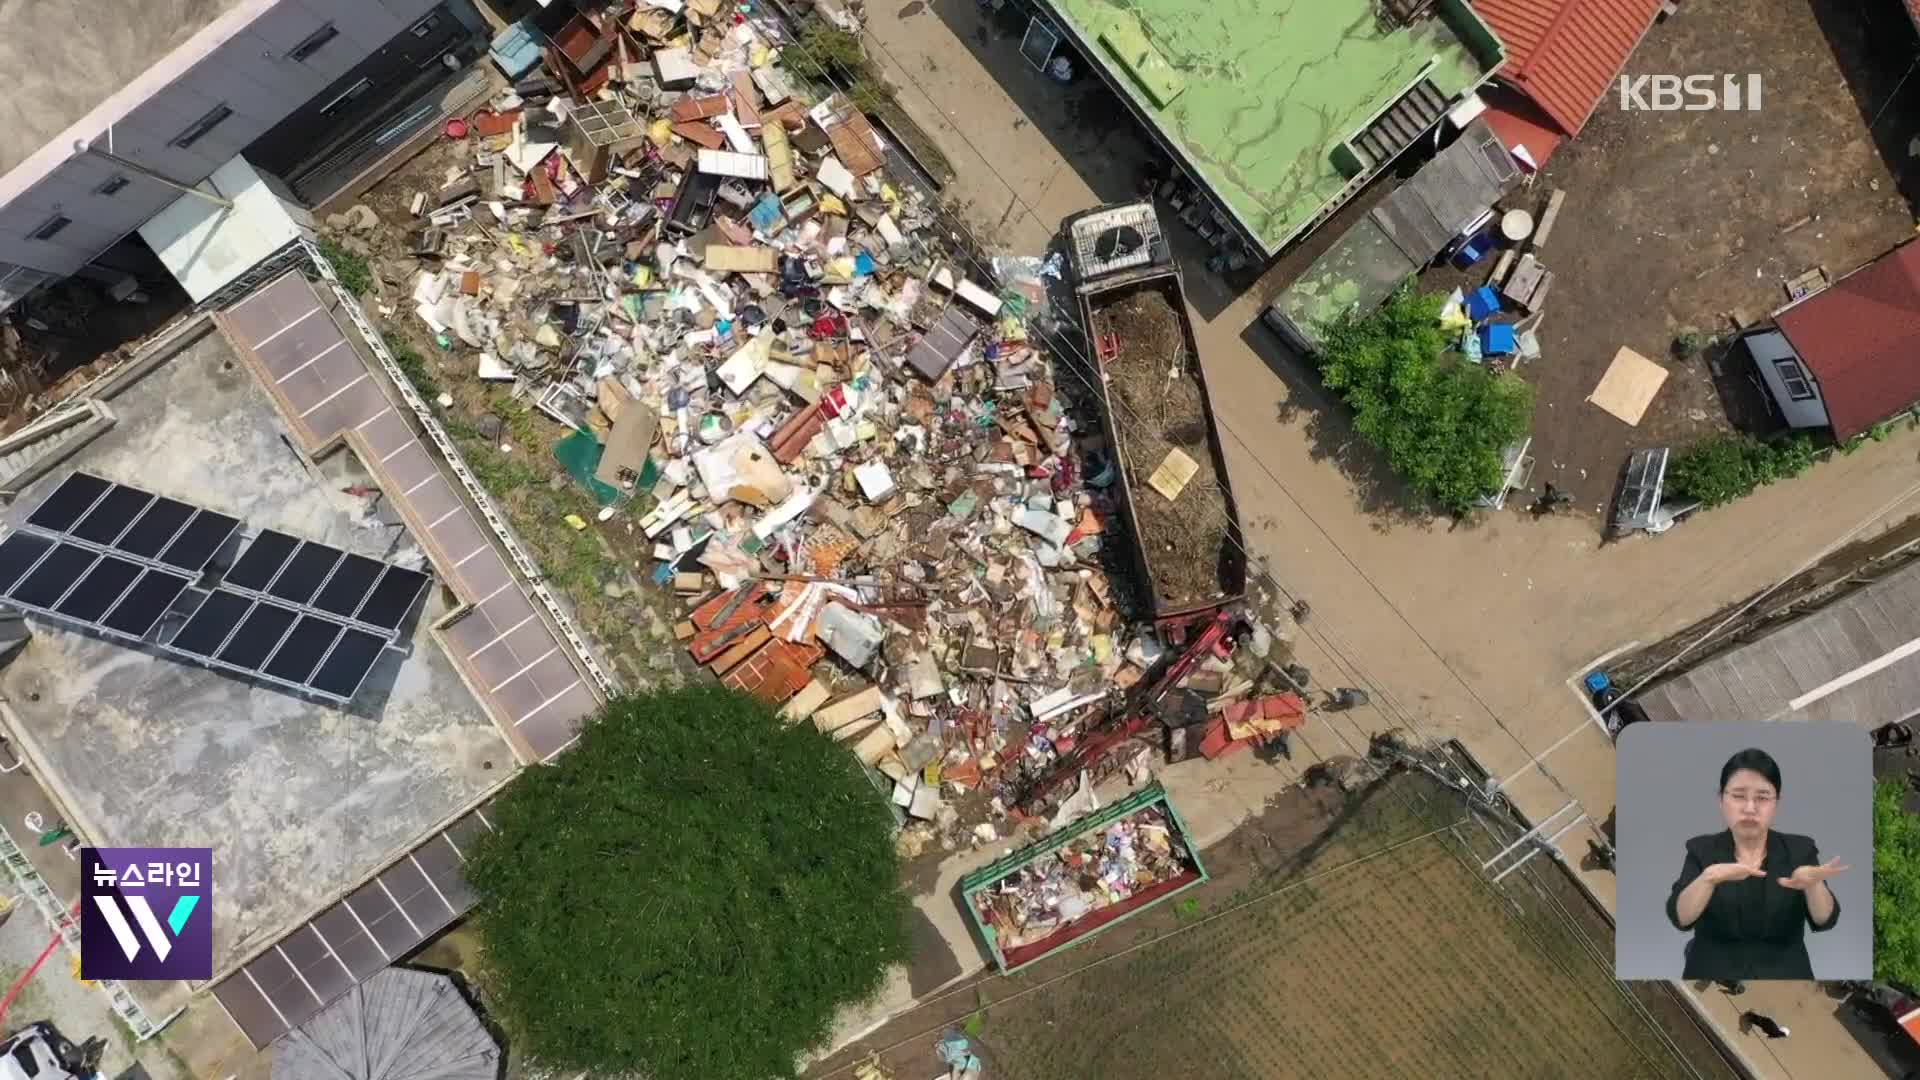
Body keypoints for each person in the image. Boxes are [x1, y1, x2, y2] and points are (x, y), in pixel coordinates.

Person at [1667, 748, 1849, 980]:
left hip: (1786, 978)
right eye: (1739, 796)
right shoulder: (1701, 850)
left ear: (1776, 803)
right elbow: (1681, 918)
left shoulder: (1800, 850)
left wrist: (1813, 885)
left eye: (1762, 797)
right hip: (1711, 975)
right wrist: (1709, 878)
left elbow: (1825, 920)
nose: (1750, 808)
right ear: (1721, 800)